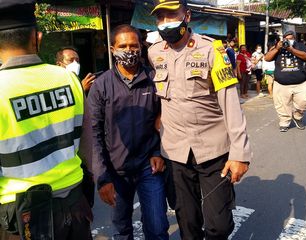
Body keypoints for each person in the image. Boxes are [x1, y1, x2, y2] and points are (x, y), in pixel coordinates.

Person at [148, 0, 251, 239]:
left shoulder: (211, 50)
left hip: (212, 150)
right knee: (187, 221)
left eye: (172, 15)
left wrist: (240, 154)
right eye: (161, 17)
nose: (166, 23)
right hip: (175, 153)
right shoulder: (154, 53)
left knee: (219, 225)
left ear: (187, 16)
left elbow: (231, 104)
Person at [0, 1, 93, 239]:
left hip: (21, 215)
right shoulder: (69, 80)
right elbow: (88, 142)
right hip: (74, 202)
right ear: (37, 37)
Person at [88, 24, 169, 240]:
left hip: (148, 167)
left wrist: (159, 152)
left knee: (158, 227)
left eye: (134, 45)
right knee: (122, 231)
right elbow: (93, 133)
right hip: (116, 171)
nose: (129, 50)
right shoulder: (101, 86)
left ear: (141, 47)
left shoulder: (154, 80)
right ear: (112, 49)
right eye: (123, 45)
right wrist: (102, 178)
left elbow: (168, 120)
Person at [264, 30, 306, 132]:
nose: (288, 40)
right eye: (286, 39)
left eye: (290, 39)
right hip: (281, 83)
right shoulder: (277, 47)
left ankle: (297, 116)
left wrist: (291, 49)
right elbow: (267, 58)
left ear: (294, 38)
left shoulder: (300, 46)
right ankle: (284, 122)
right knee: (282, 105)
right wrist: (277, 48)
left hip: (300, 82)